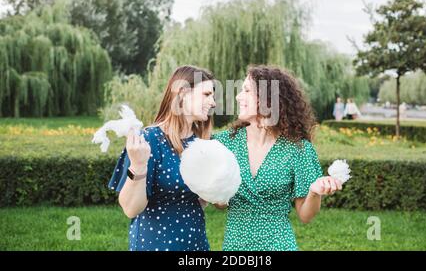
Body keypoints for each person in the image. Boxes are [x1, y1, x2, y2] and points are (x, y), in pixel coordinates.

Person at [212, 65, 342, 251]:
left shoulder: (298, 149)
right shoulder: (223, 143)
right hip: (235, 247)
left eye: (247, 90)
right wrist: (216, 191)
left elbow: (306, 216)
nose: (239, 97)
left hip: (278, 245)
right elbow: (220, 204)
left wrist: (313, 192)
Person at [108, 65, 216, 251]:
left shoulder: (203, 142)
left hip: (196, 244)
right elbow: (131, 209)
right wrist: (139, 165)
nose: (213, 103)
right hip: (155, 244)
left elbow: (202, 199)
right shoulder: (148, 140)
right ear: (182, 94)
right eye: (206, 95)